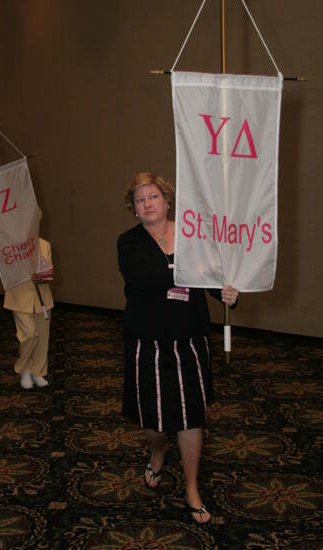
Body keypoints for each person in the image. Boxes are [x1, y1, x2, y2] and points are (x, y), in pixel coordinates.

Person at [117, 173, 238, 525]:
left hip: (190, 339)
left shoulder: (193, 236)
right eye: (140, 200)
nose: (147, 204)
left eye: (153, 197)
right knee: (153, 421)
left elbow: (213, 276)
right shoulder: (129, 242)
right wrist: (188, 268)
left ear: (167, 201)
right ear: (134, 209)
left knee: (190, 416)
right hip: (147, 342)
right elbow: (142, 280)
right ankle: (156, 454)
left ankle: (191, 488)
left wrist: (226, 291)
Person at [4, 237, 54, 389]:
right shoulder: (10, 246)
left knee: (42, 337)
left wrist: (42, 277)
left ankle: (38, 371)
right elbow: (6, 273)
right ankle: (24, 368)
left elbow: (50, 272)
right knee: (29, 334)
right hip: (19, 298)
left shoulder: (44, 244)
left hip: (42, 298)